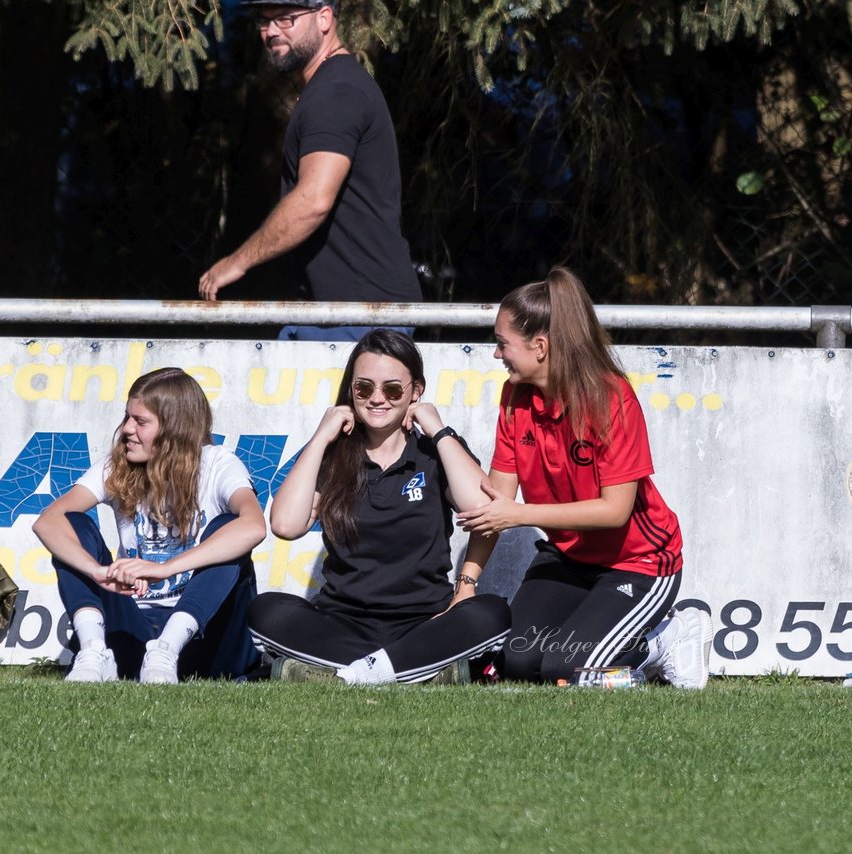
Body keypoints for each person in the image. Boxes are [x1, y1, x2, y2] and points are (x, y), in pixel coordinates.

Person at [458, 267, 713, 688]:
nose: (496, 354)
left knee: (565, 670)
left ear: (540, 347)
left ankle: (665, 640)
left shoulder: (613, 398)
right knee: (518, 664)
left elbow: (615, 512)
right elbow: (495, 506)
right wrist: (465, 584)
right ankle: (596, 641)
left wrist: (519, 514)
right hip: (568, 559)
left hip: (640, 564)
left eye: (502, 344)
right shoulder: (513, 397)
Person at [250, 329, 511, 684]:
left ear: (415, 391)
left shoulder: (436, 450)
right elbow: (285, 524)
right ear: (350, 392)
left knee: (491, 614)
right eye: (363, 388)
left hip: (424, 622)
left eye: (392, 389)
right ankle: (411, 670)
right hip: (341, 622)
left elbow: (484, 508)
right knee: (266, 611)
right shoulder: (333, 454)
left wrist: (436, 427)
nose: (377, 399)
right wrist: (321, 437)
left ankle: (351, 671)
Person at [197, 0, 421, 341]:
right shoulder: (332, 86)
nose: (271, 31)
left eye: (286, 18)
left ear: (325, 18)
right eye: (264, 20)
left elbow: (313, 199)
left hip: (361, 317)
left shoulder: (335, 92)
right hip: (340, 313)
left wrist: (237, 261)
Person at [33, 368, 266, 683]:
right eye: (127, 417)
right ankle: (92, 652)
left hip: (202, 636)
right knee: (71, 525)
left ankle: (166, 651)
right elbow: (48, 521)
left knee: (230, 528)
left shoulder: (218, 464)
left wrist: (165, 568)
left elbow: (253, 526)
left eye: (140, 422)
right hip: (137, 627)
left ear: (174, 430)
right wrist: (97, 571)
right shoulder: (118, 465)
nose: (127, 429)